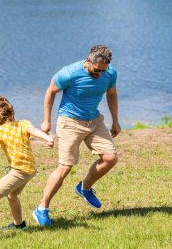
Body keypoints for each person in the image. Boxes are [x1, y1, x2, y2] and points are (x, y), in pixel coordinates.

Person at [32, 44, 121, 226]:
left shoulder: (110, 73)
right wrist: (46, 120)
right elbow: (50, 91)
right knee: (65, 167)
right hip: (69, 121)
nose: (99, 74)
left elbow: (111, 94)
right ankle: (42, 208)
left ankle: (84, 187)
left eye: (103, 71)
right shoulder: (70, 73)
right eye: (96, 70)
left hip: (94, 120)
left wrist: (116, 120)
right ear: (89, 60)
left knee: (110, 158)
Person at [0, 95, 54, 242]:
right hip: (30, 169)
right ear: (10, 111)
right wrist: (48, 138)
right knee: (12, 195)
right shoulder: (22, 124)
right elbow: (34, 130)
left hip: (19, 171)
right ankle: (19, 225)